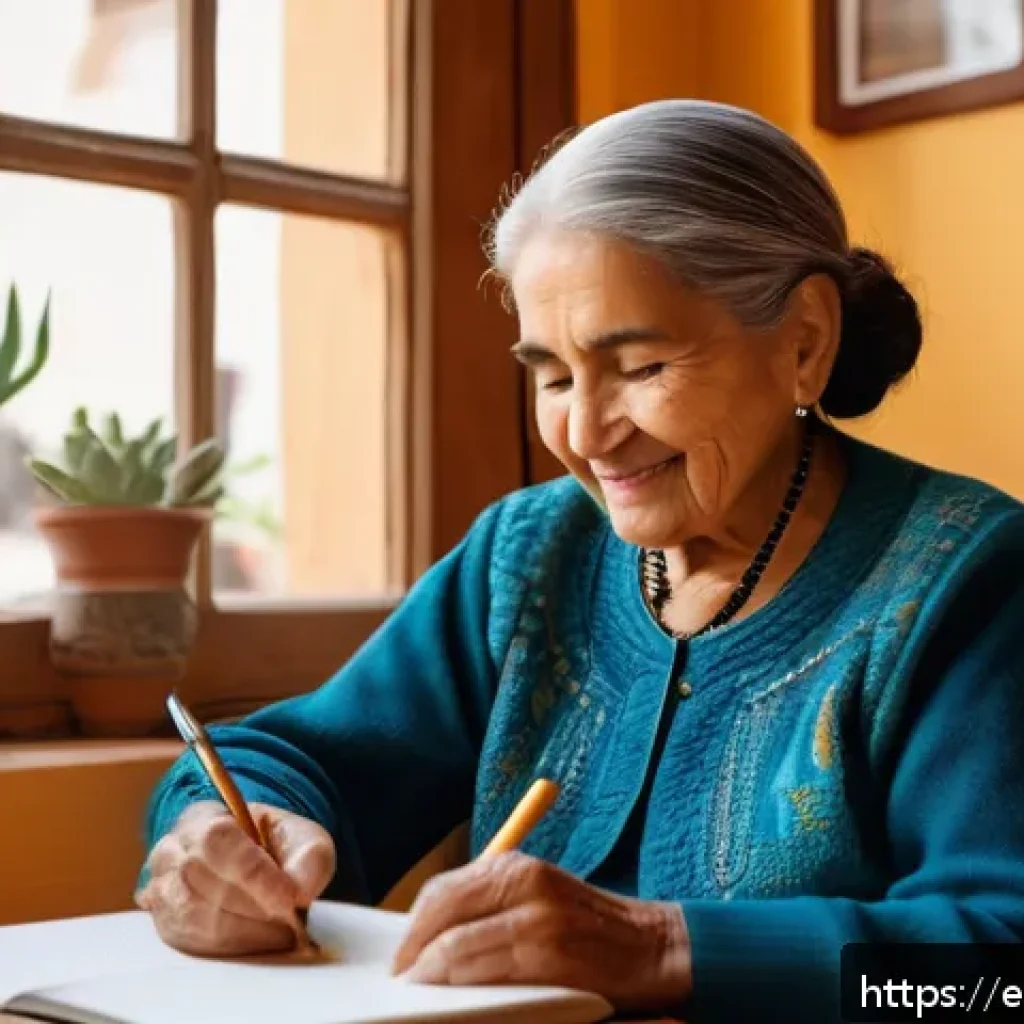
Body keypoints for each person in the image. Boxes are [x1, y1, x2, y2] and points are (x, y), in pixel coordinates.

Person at [135, 100, 1024, 1022]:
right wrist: (213, 839)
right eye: (553, 376)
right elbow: (287, 761)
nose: (587, 433)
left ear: (804, 341)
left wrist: (661, 945)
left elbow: (997, 977)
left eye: (640, 368)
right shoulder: (527, 557)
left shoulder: (967, 580)